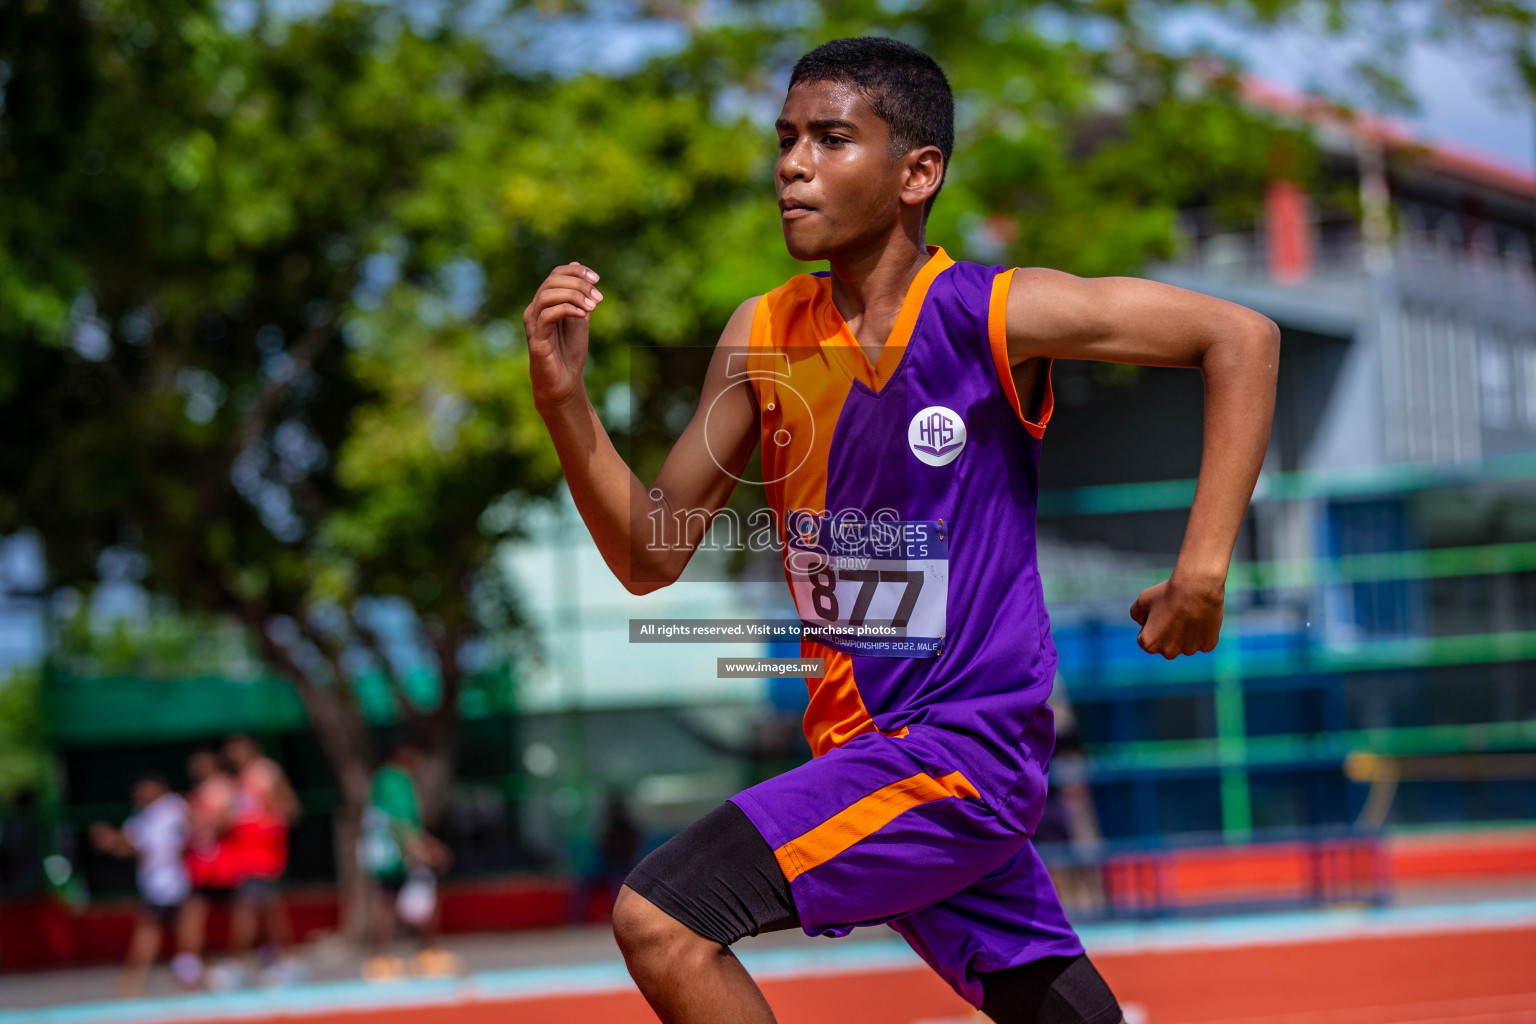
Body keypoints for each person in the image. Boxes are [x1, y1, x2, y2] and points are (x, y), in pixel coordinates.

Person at [523, 36, 1277, 1024]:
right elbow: (650, 552)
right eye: (786, 139)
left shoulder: (991, 314)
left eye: (831, 139)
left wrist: (1203, 568)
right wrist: (564, 400)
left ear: (918, 171)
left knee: (664, 916)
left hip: (959, 755)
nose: (792, 163)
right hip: (864, 754)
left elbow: (1242, 338)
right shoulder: (759, 337)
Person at [358, 742, 455, 980]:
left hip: (388, 852)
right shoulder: (395, 780)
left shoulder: (383, 779)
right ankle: (424, 953)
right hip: (397, 854)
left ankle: (386, 957)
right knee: (407, 900)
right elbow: (401, 821)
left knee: (389, 900)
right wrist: (421, 849)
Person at [89, 773, 191, 995]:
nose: (140, 795)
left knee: (185, 929)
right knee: (151, 929)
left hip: (179, 878)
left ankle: (188, 975)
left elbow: (194, 831)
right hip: (154, 883)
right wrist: (110, 841)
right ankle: (138, 977)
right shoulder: (141, 817)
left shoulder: (175, 806)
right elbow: (128, 846)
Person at [217, 734, 302, 987]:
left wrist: (268, 820)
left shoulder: (266, 772)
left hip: (262, 854)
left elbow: (291, 808)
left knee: (249, 908)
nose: (234, 755)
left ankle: (237, 962)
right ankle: (283, 960)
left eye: (239, 749)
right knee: (267, 907)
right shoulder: (238, 781)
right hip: (243, 854)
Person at [174, 748, 239, 988]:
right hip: (201, 864)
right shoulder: (196, 795)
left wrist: (204, 819)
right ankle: (190, 968)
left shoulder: (223, 788)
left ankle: (237, 962)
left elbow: (227, 822)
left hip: (222, 863)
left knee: (242, 912)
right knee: (193, 915)